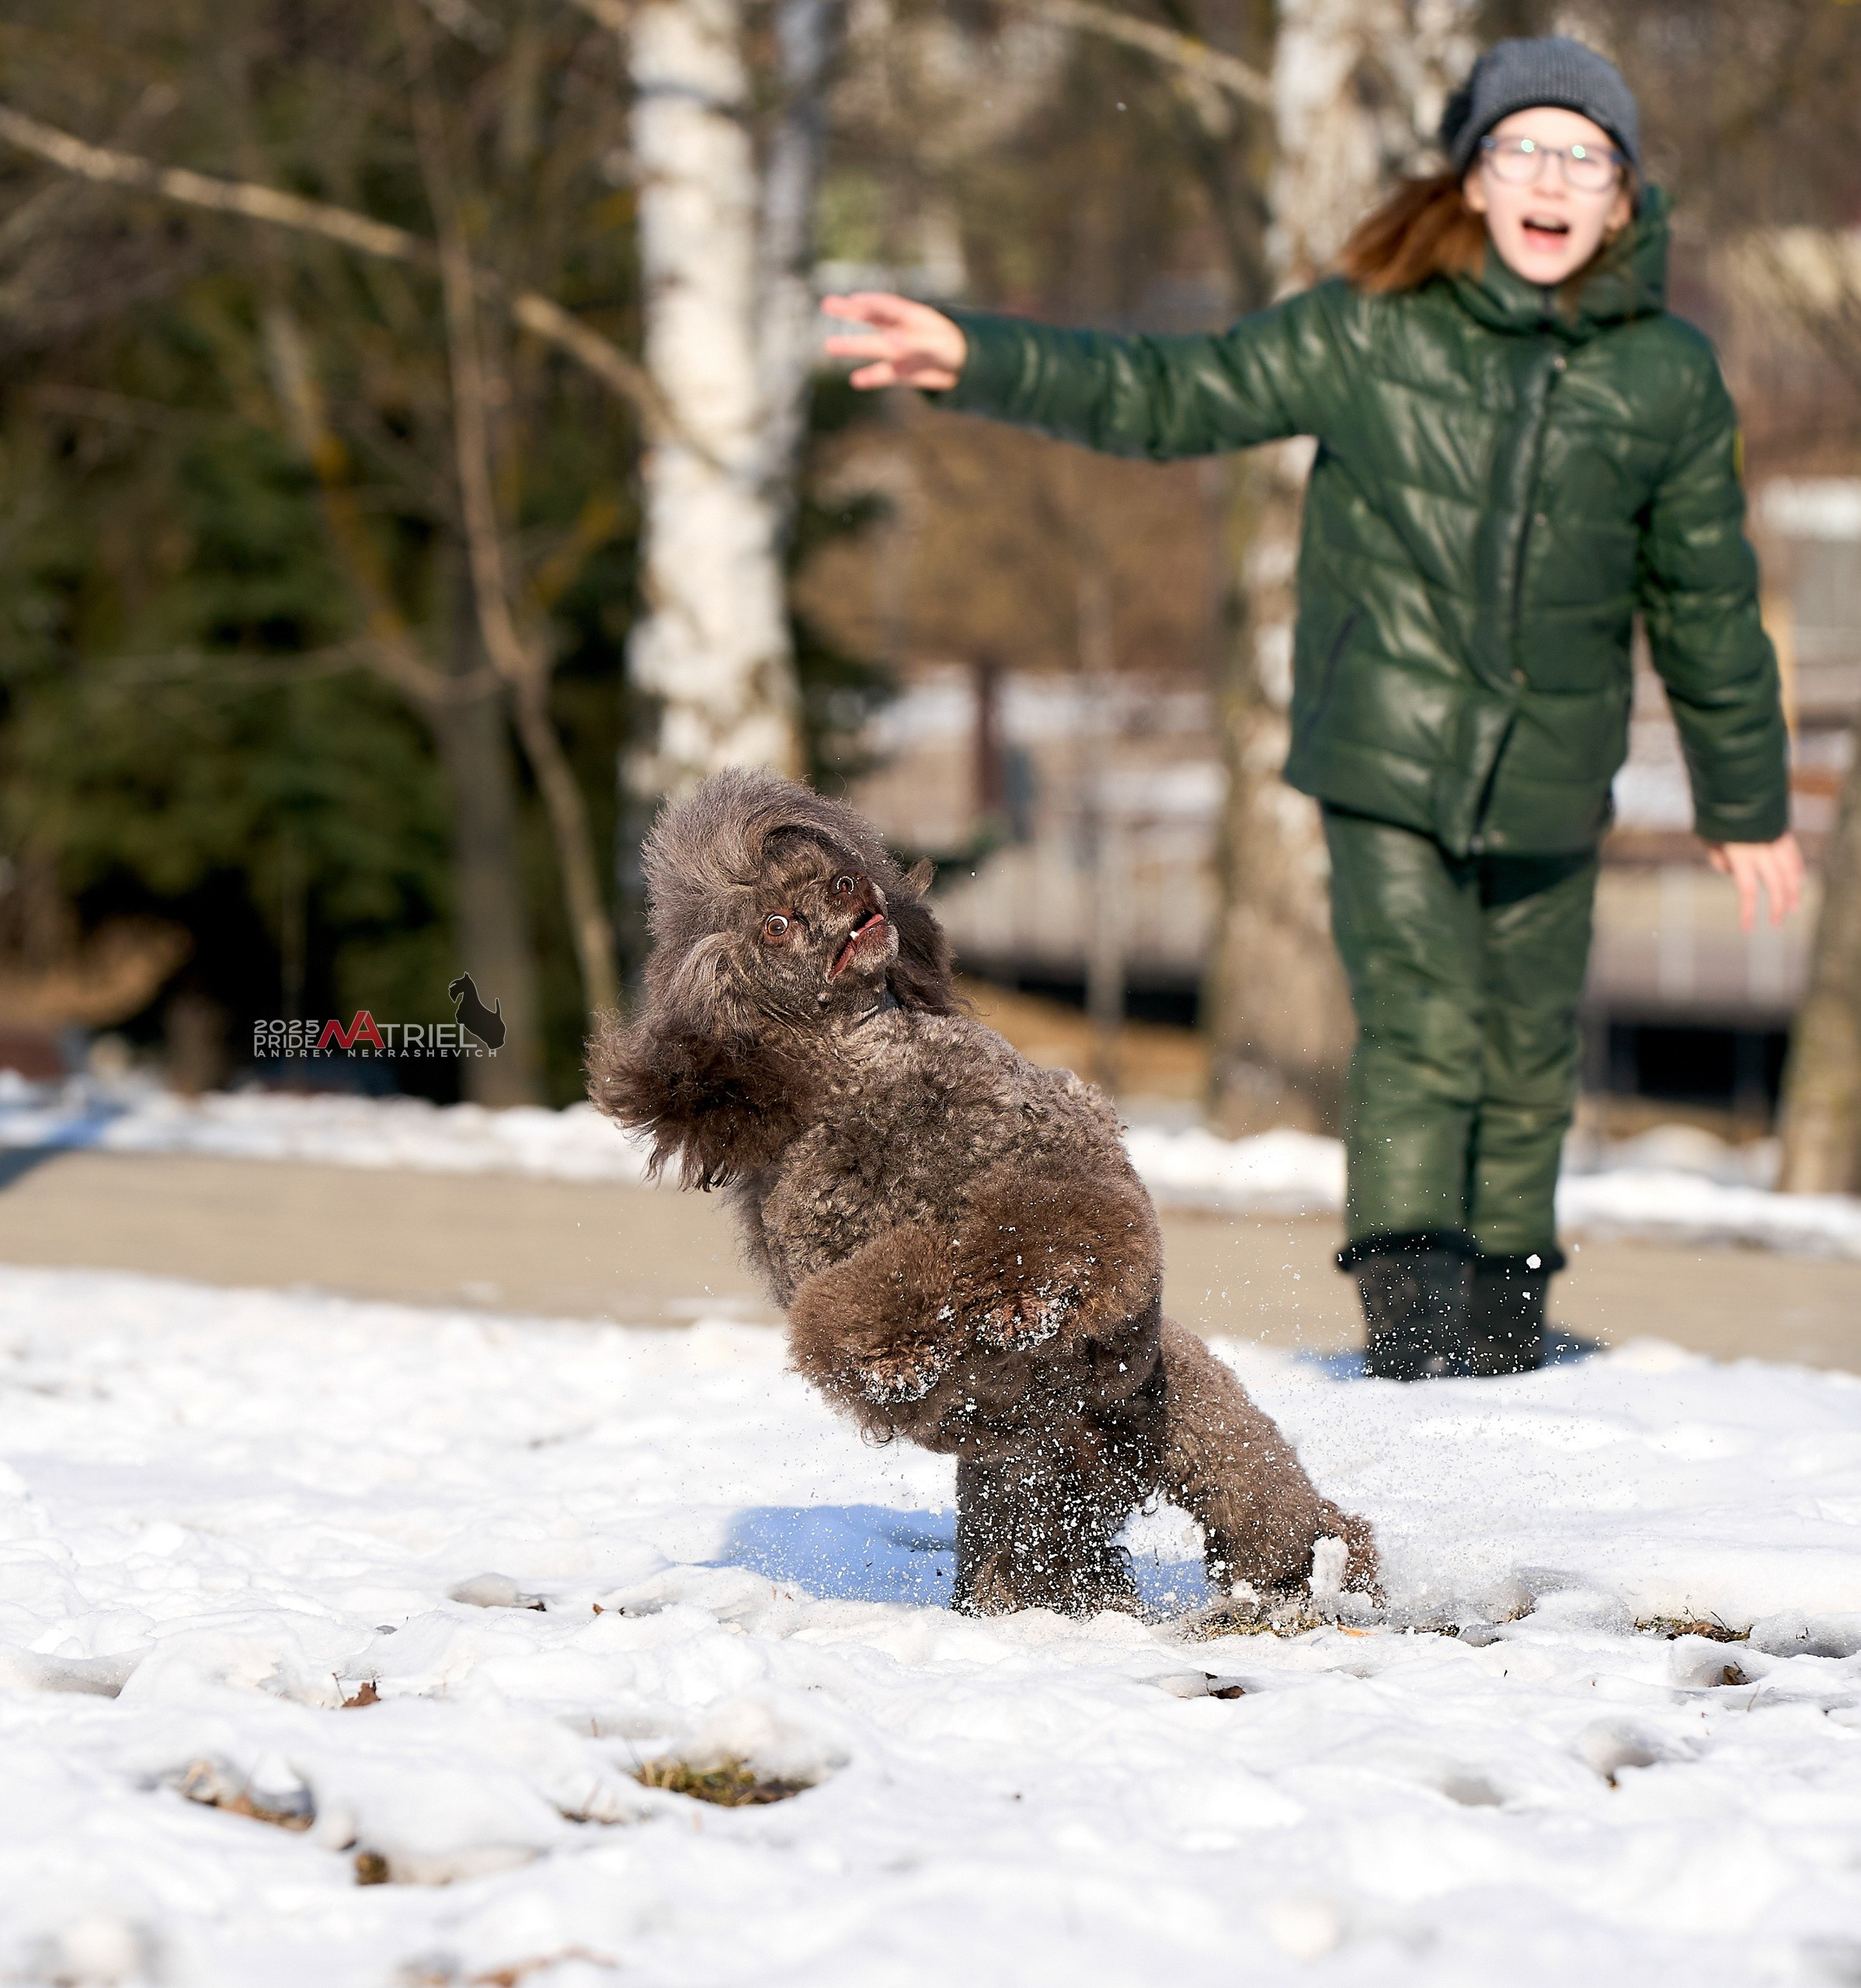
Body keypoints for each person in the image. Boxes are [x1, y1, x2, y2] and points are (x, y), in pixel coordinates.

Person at [821, 35, 1801, 1382]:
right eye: (1522, 148)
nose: (1552, 178)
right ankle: (1411, 1317)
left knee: (1525, 1045)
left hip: (1557, 764)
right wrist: (973, 356)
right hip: (1387, 749)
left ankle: (1506, 1322)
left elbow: (1706, 598)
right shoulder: (1367, 329)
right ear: (1469, 177)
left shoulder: (1669, 378)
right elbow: (1167, 394)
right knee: (1419, 1023)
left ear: (1626, 195)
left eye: (1586, 154)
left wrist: (1746, 799)